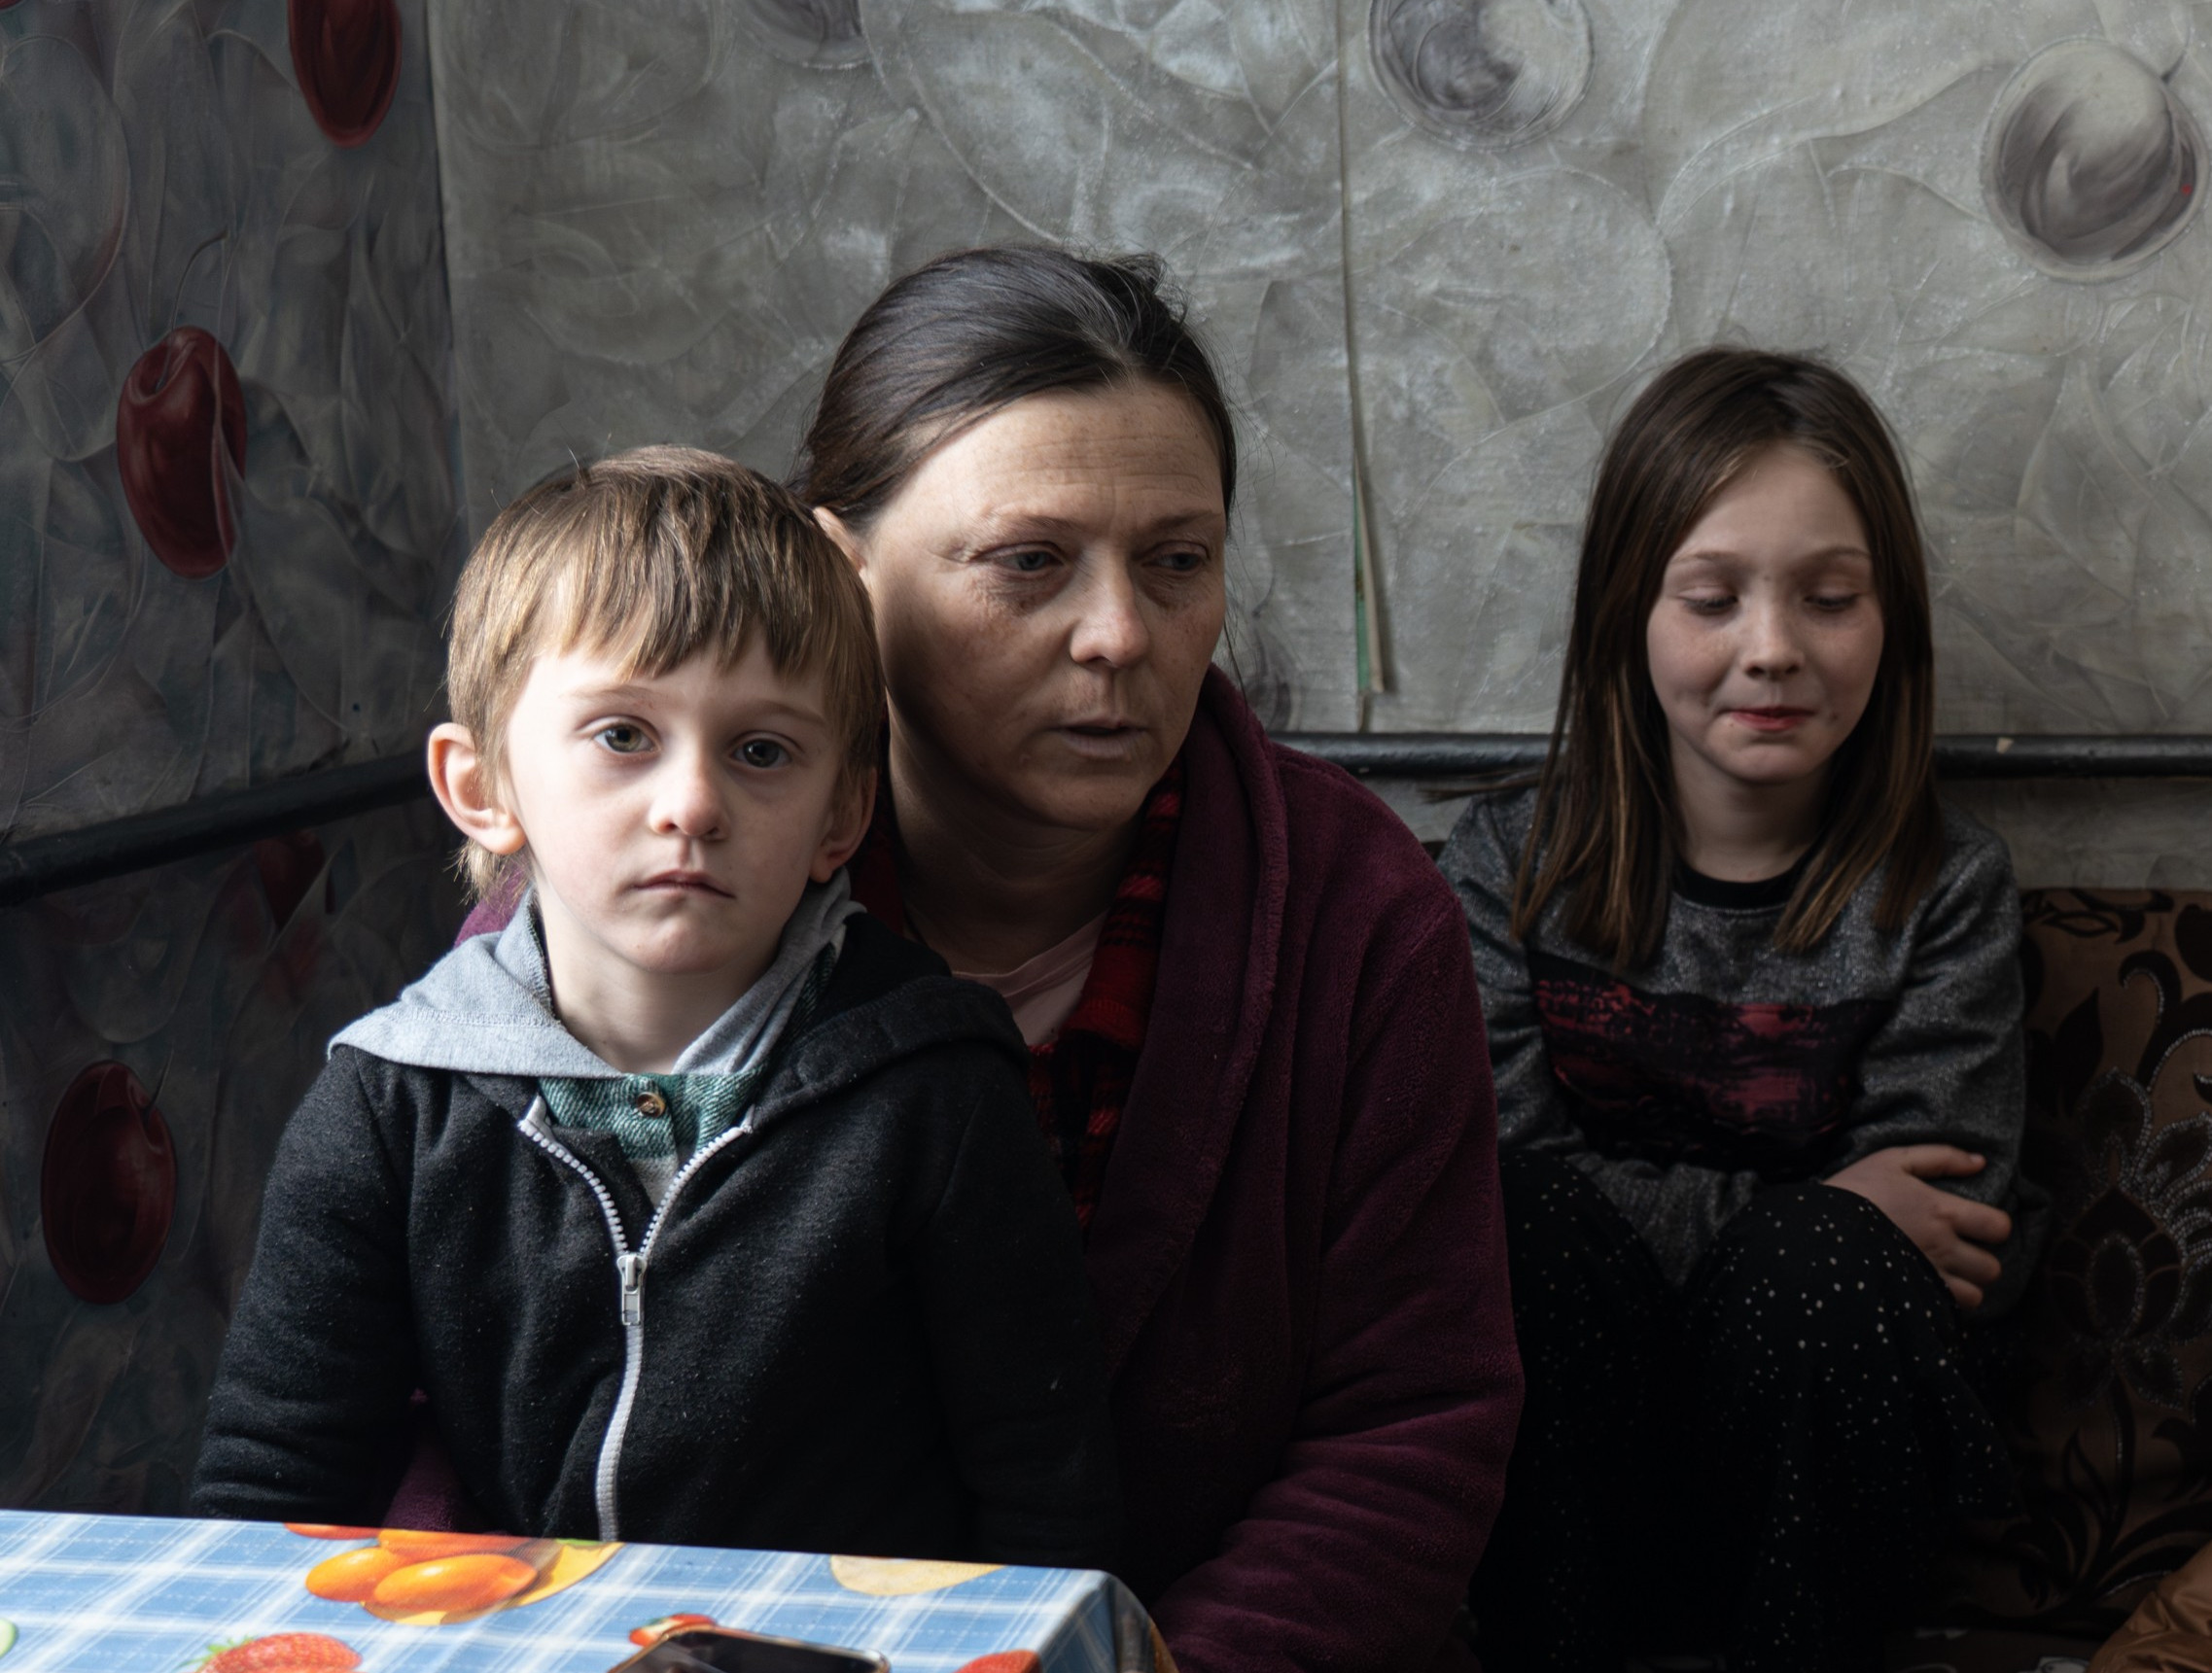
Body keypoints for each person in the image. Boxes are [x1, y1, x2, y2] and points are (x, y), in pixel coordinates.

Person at [458, 246, 1523, 1673]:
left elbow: (1408, 1421)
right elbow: (426, 1392)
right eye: (1026, 562)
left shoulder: (1350, 912)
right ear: (845, 568)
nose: (1116, 636)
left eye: (1175, 563)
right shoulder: (615, 900)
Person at [193, 448, 1120, 1568]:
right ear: (483, 788)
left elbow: (1049, 1491)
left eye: (762, 750)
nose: (692, 803)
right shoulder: (390, 1102)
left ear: (842, 814)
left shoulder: (933, 1088)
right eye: (623, 734)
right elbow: (272, 1495)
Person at [1442, 348, 2041, 1673]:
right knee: (1523, 1228)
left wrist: (1820, 1233)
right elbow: (1488, 1191)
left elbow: (1946, 1236)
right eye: (1710, 598)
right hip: (1575, 1468)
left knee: (1822, 1271)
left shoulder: (1940, 890)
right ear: (1625, 617)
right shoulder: (1502, 869)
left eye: (1826, 599)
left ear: (1888, 624)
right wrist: (1823, 1202)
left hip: (1828, 1472)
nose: (1769, 651)